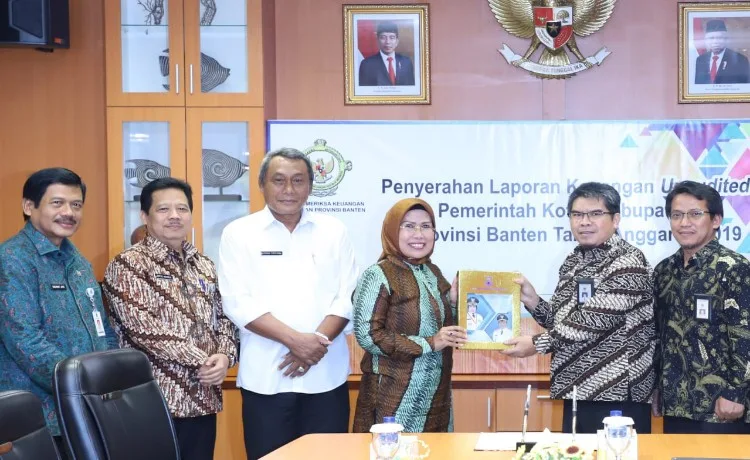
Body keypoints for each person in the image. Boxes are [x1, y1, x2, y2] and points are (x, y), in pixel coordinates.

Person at [218, 148, 359, 460]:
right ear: (262, 184)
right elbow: (237, 302)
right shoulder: (238, 233)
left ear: (310, 186)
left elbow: (348, 295)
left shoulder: (334, 231)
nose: (289, 190)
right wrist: (297, 342)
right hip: (265, 378)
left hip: (326, 375)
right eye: (279, 180)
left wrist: (315, 343)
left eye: (298, 180)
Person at [502, 182, 656, 434]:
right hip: (576, 388)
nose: (584, 222)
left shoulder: (628, 261)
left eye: (595, 214)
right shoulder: (574, 261)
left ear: (616, 219)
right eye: (577, 214)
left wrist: (537, 344)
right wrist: (532, 301)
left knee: (616, 452)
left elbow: (592, 321)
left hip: (615, 392)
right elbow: (561, 321)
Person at [103, 178, 238, 460]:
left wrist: (225, 357)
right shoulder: (128, 264)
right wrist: (203, 360)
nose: (175, 216)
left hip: (203, 398)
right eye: (163, 209)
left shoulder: (204, 265)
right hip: (151, 401)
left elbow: (225, 317)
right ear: (144, 216)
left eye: (182, 208)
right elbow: (144, 329)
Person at [0, 168, 118, 457]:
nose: (69, 212)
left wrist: (107, 378)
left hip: (85, 409)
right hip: (35, 420)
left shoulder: (78, 262)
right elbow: (25, 341)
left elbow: (102, 329)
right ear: (29, 206)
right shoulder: (12, 259)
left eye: (76, 204)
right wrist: (82, 384)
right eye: (57, 203)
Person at [352, 198, 468, 433]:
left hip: (436, 396)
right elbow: (369, 336)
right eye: (408, 226)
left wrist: (454, 303)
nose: (419, 234)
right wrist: (429, 343)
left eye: (426, 226)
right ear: (392, 231)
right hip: (393, 397)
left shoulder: (432, 272)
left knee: (438, 451)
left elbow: (445, 331)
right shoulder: (377, 274)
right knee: (394, 451)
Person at [652, 180, 750, 434]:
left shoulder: (734, 269)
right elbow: (660, 335)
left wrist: (735, 392)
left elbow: (745, 337)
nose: (684, 223)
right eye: (677, 215)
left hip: (722, 407)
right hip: (676, 403)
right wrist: (658, 386)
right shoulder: (664, 271)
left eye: (695, 214)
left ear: (716, 220)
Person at [358, 21, 415, 86]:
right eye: (383, 37)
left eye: (392, 37)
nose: (387, 42)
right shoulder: (367, 64)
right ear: (377, 40)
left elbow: (411, 87)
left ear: (397, 41)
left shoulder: (406, 62)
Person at [695, 19, 750, 84]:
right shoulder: (700, 59)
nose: (715, 42)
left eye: (719, 38)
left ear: (726, 39)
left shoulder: (740, 60)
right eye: (711, 38)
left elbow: (745, 85)